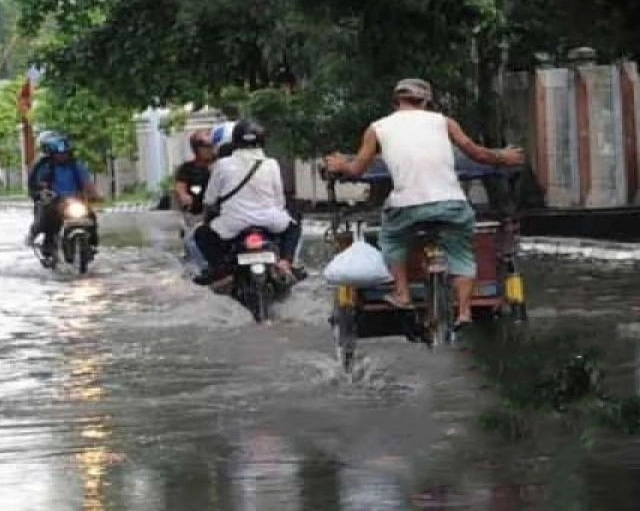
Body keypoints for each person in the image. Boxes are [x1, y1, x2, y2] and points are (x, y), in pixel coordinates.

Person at [324, 78, 525, 330]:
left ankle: (402, 294)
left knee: (391, 239)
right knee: (462, 254)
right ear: (426, 101)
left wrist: (342, 165)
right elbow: (477, 153)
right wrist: (503, 157)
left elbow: (357, 169)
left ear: (397, 100)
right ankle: (463, 312)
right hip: (452, 205)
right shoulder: (444, 122)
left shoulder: (377, 128)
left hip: (406, 208)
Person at [193, 121, 299, 286]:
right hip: (270, 223)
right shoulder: (272, 164)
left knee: (201, 234)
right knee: (294, 224)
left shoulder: (222, 165)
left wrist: (207, 218)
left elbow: (209, 201)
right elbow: (280, 201)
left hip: (233, 226)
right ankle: (285, 262)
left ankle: (222, 272)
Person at [26, 132, 100, 260]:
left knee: (91, 217)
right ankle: (47, 246)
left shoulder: (76, 166)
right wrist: (43, 193)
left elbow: (87, 183)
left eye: (65, 152)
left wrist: (96, 195)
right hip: (55, 202)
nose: (62, 155)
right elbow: (38, 186)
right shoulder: (44, 167)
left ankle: (92, 244)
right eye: (59, 153)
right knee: (48, 217)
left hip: (75, 201)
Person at [174, 130, 216, 228]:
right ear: (196, 149)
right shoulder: (187, 169)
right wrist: (183, 195)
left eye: (211, 146)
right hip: (197, 215)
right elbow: (180, 187)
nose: (209, 149)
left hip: (221, 213)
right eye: (205, 146)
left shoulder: (222, 166)